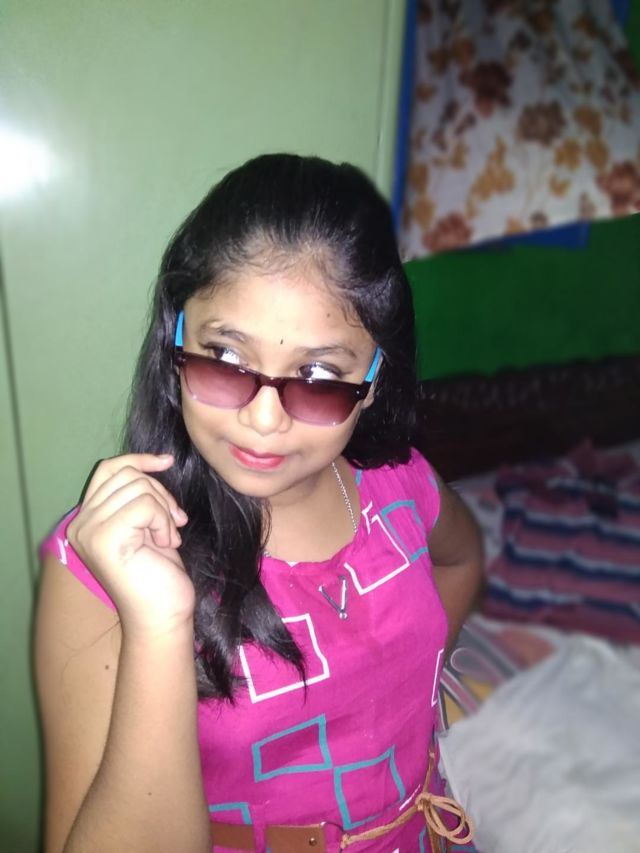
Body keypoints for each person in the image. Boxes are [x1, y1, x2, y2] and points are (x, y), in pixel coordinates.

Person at [34, 153, 483, 853]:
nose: (264, 420)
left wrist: (400, 688)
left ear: (372, 381)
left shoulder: (401, 485)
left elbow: (461, 560)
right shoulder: (102, 562)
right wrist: (160, 624)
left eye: (319, 376)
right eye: (226, 359)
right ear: (175, 338)